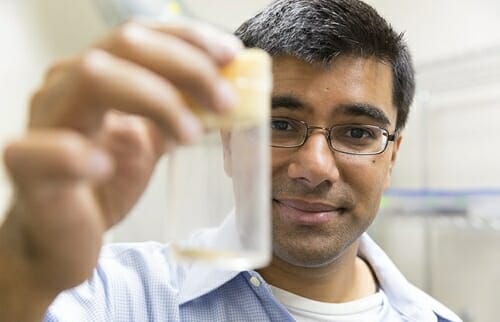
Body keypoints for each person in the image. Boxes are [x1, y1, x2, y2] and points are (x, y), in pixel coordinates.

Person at [0, 0, 462, 321]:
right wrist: (24, 267)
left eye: (358, 133)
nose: (315, 167)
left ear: (392, 156)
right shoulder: (112, 296)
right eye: (279, 124)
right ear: (228, 139)